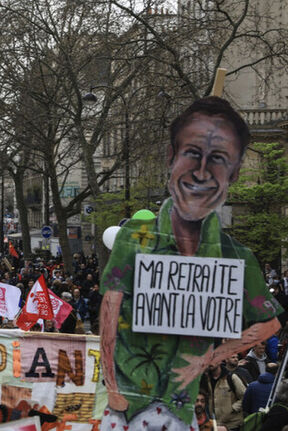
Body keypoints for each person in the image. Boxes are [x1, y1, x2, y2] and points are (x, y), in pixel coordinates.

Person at [99, 97, 283, 429]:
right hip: (124, 410)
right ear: (171, 157)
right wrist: (112, 387)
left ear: (235, 173)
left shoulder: (238, 257)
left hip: (182, 414)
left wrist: (207, 360)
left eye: (218, 159)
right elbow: (109, 315)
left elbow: (269, 325)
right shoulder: (133, 240)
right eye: (192, 154)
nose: (201, 172)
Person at [201, 362, 245, 430]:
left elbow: (244, 397)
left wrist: (233, 408)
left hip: (233, 425)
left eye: (213, 360)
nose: (210, 362)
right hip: (216, 424)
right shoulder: (206, 379)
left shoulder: (231, 377)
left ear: (220, 361)